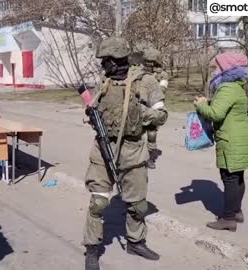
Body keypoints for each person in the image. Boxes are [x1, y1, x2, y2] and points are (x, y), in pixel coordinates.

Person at [83, 37, 168, 270]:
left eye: (105, 60)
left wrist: (139, 113)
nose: (102, 65)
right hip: (103, 148)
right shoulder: (104, 82)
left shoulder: (146, 82)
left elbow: (162, 115)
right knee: (98, 203)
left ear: (117, 59)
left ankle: (135, 241)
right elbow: (92, 107)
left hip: (132, 150)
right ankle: (92, 249)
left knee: (138, 205)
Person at [194, 52, 248, 232]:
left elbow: (216, 114)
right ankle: (236, 212)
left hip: (232, 139)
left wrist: (201, 105)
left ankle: (228, 219)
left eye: (217, 66)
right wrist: (209, 102)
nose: (215, 70)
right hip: (241, 137)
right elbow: (225, 107)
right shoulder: (236, 86)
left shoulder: (227, 87)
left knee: (229, 178)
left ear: (226, 69)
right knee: (237, 178)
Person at [141, 47, 167, 169]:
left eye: (151, 62)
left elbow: (162, 88)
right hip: (141, 104)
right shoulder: (139, 72)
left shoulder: (162, 74)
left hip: (154, 104)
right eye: (147, 61)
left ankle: (150, 158)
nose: (149, 64)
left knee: (151, 133)